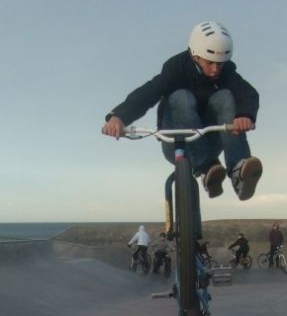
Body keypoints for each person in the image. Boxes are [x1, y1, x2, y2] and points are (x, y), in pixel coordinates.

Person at [101, 21, 262, 201]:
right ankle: (206, 168)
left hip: (208, 140)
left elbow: (248, 93)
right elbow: (148, 93)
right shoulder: (176, 69)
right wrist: (118, 117)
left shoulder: (226, 73)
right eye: (210, 63)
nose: (215, 70)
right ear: (195, 56)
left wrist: (244, 115)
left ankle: (238, 170)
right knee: (181, 96)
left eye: (220, 64)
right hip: (177, 141)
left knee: (225, 96)